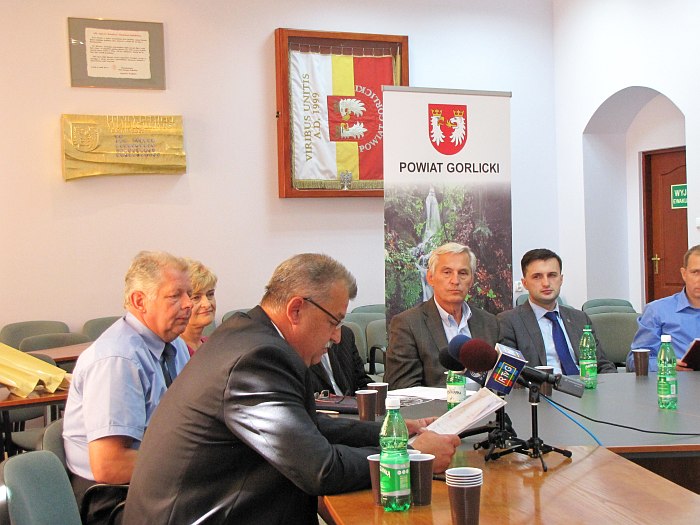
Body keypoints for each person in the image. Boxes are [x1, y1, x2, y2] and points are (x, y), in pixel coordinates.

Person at [123, 253, 460, 525]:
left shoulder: (249, 333)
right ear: (296, 309)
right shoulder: (257, 358)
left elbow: (307, 425)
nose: (337, 336)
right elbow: (320, 468)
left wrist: (393, 433)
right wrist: (412, 455)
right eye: (333, 321)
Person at [62, 251, 192, 525]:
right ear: (139, 301)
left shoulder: (175, 345)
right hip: (111, 497)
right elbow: (110, 465)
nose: (188, 304)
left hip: (153, 479)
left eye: (189, 294)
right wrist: (194, 464)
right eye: (175, 295)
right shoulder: (118, 359)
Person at [384, 242, 499, 389]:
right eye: (447, 272)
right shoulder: (407, 324)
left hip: (486, 402)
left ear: (471, 280)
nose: (455, 281)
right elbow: (403, 387)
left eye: (463, 273)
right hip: (438, 404)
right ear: (430, 278)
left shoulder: (490, 322)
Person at [498, 248, 616, 374]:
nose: (546, 283)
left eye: (552, 275)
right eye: (537, 277)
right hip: (543, 385)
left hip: (585, 384)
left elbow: (603, 365)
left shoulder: (580, 319)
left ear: (561, 279)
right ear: (525, 283)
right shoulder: (509, 322)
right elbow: (510, 373)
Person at [627, 244, 700, 372]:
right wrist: (667, 365)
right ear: (684, 274)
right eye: (695, 272)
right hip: (674, 380)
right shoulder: (657, 310)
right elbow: (634, 361)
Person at [309, 324, 372, 395]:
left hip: (351, 400)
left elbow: (361, 379)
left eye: (338, 324)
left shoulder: (346, 334)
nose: (337, 339)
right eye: (331, 323)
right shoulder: (301, 349)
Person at [180, 258, 217, 356]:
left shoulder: (212, 345)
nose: (207, 304)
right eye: (196, 297)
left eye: (210, 294)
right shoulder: (173, 351)